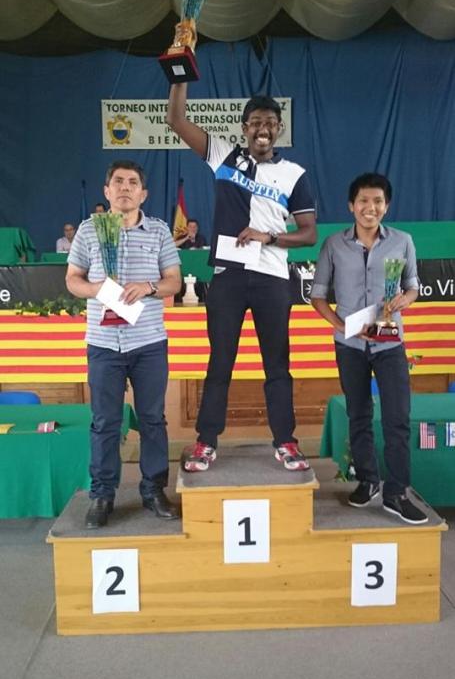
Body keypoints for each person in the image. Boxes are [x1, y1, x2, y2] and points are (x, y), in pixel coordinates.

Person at [167, 84, 317, 473]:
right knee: (220, 362)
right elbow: (176, 120)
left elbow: (309, 233)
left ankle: (286, 441)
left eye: (270, 122)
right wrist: (181, 76)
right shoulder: (223, 155)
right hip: (228, 275)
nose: (262, 128)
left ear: (279, 128)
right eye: (255, 122)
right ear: (244, 127)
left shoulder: (294, 174)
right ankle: (205, 442)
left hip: (271, 278)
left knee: (277, 364)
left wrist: (270, 237)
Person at [66, 160, 182, 528]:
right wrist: (97, 289)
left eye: (133, 182)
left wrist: (148, 287)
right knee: (105, 422)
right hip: (103, 343)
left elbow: (174, 281)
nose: (125, 187)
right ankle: (102, 494)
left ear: (143, 193)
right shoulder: (89, 230)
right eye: (118, 181)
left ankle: (153, 489)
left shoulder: (159, 231)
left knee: (152, 419)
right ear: (107, 190)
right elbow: (72, 279)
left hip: (148, 342)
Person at [311, 172, 427, 524]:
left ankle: (397, 492)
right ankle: (367, 480)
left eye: (378, 201)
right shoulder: (334, 244)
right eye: (363, 201)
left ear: (386, 206)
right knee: (358, 414)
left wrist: (403, 300)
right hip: (349, 345)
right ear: (351, 205)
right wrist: (343, 326)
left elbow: (413, 286)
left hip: (390, 342)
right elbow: (318, 296)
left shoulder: (402, 241)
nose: (370, 207)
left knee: (397, 418)